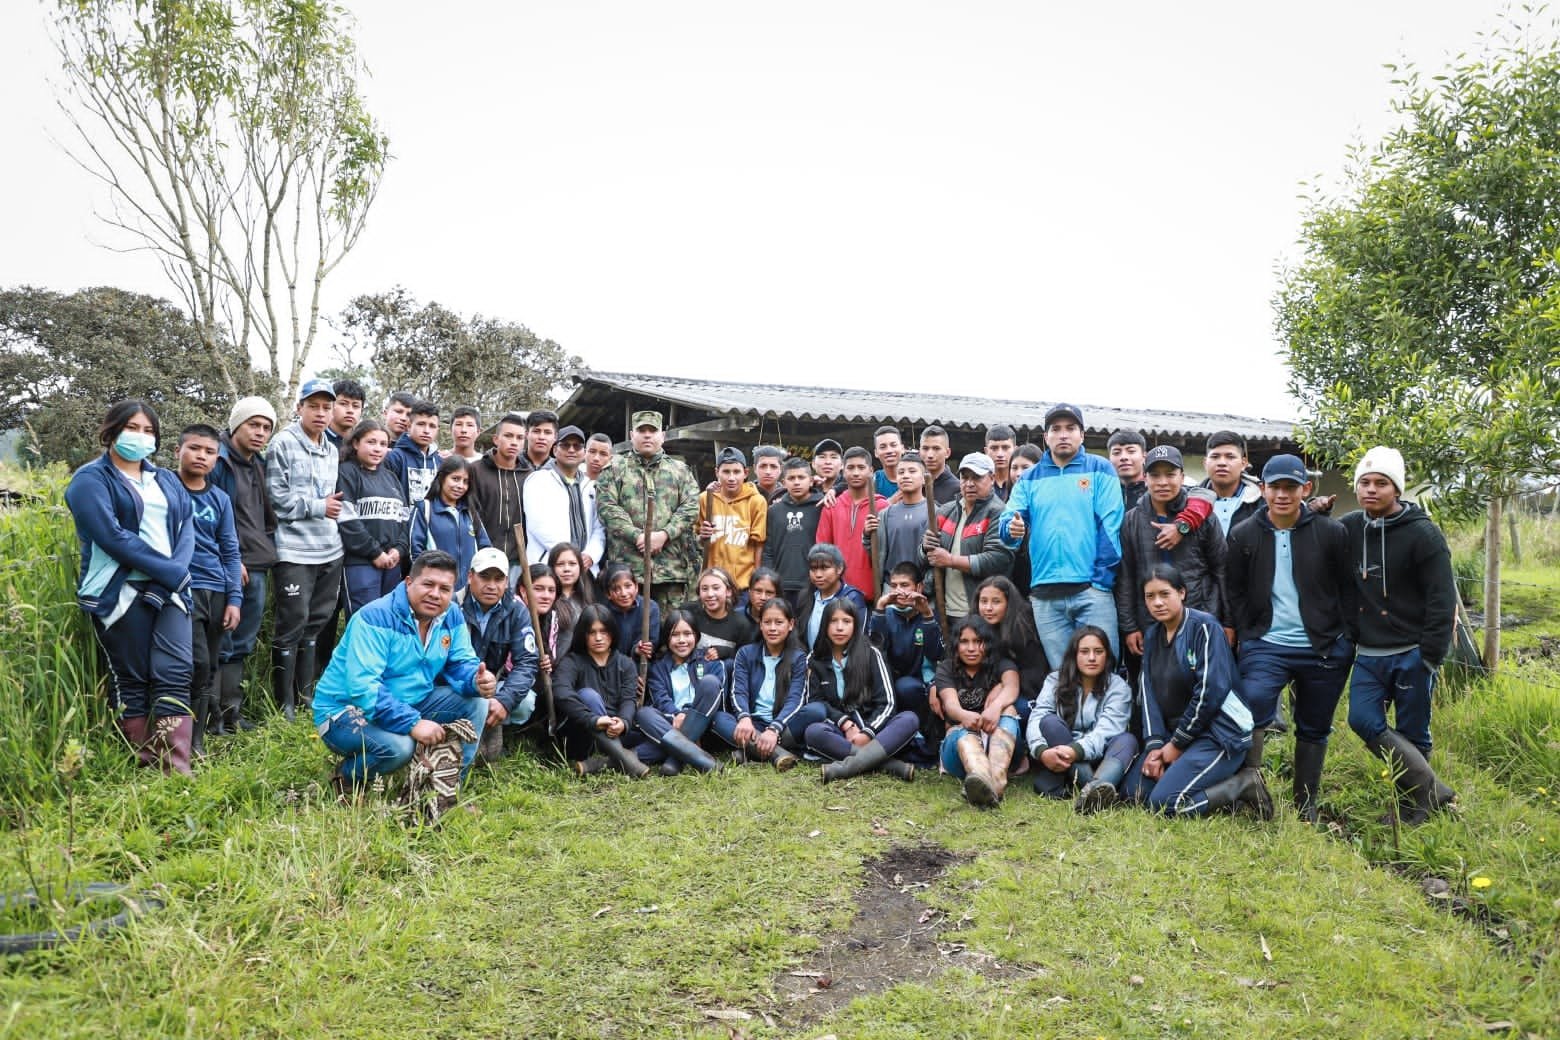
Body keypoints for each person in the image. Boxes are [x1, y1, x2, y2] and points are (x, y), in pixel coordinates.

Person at [66, 400, 196, 774]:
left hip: (170, 589)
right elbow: (113, 536)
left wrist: (171, 575)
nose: (141, 436)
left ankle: (175, 767)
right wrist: (168, 574)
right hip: (118, 591)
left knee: (175, 671)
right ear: (112, 430)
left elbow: (185, 526)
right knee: (133, 677)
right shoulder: (90, 480)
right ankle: (141, 761)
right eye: (133, 428)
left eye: (148, 430)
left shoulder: (165, 478)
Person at [1225, 454, 1357, 821]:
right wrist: (1248, 633)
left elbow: (1348, 588)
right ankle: (1248, 789)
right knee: (1251, 705)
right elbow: (1233, 589)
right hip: (1266, 643)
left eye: (1291, 487)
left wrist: (1344, 638)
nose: (1282, 495)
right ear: (1262, 488)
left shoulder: (1331, 534)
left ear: (1306, 489)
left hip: (1324, 645)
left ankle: (1306, 803)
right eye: (1275, 487)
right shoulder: (1244, 535)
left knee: (1314, 725)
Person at [313, 550, 496, 798]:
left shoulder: (450, 614)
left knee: (476, 702)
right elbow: (363, 688)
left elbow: (460, 662)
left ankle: (446, 790)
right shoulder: (375, 617)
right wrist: (412, 723)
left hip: (410, 701)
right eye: (428, 584)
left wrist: (476, 680)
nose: (435, 594)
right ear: (409, 583)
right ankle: (346, 776)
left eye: (444, 588)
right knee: (400, 747)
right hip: (344, 712)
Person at [1340, 446, 1458, 824]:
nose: (1371, 489)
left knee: (1413, 730)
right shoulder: (1349, 528)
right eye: (1364, 482)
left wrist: (1430, 656)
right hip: (1370, 651)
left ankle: (1414, 807)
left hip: (1412, 651)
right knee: (1361, 719)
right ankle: (1433, 789)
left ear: (1397, 489)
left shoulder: (1424, 535)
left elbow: (1443, 599)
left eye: (1381, 483)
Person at [1121, 565, 1270, 817]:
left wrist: (1177, 745)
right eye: (1150, 596)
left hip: (1219, 734)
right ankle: (1207, 782)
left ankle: (1242, 785)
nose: (1157, 602)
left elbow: (1210, 691)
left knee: (1163, 804)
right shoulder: (1152, 634)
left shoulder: (1204, 627)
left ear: (1182, 593)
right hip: (1175, 735)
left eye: (1164, 594)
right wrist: (1155, 747)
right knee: (1134, 794)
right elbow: (1148, 696)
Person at [997, 403, 1125, 664]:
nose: (1063, 434)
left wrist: (1100, 583)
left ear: (1082, 434)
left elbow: (1110, 529)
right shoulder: (1030, 478)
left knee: (1102, 672)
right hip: (1045, 595)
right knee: (1062, 676)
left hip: (1091, 591)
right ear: (1046, 437)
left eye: (1070, 428)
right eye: (1056, 429)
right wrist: (1012, 528)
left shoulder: (1100, 470)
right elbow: (1008, 520)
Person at [267, 378, 345, 721]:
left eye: (327, 407)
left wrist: (326, 510)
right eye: (313, 406)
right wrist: (318, 507)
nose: (321, 413)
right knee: (292, 622)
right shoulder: (282, 444)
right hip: (294, 551)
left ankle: (305, 695)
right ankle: (282, 703)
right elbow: (276, 499)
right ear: (299, 408)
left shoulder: (332, 449)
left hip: (330, 549)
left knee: (316, 622)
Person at [1115, 445, 1226, 669]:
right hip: (1149, 623)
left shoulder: (1203, 517)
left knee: (1200, 684)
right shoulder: (1132, 520)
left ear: (1182, 477)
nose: (1163, 482)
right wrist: (1129, 626)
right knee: (1151, 689)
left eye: (1170, 474)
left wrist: (1229, 623)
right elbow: (1126, 577)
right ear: (1145, 478)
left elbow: (1222, 571)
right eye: (1155, 475)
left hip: (1199, 615)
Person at [211, 395, 278, 733]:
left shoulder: (258, 463)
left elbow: (263, 514)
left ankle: (231, 714)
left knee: (243, 642)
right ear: (237, 424)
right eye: (254, 425)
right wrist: (229, 560)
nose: (260, 433)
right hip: (228, 565)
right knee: (220, 640)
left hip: (257, 561)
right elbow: (207, 517)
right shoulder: (218, 461)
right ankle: (211, 718)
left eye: (266, 427)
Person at [175, 424, 242, 756]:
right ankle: (177, 738)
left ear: (217, 457)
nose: (201, 456)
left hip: (215, 590)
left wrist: (235, 599)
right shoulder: (165, 487)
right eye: (194, 448)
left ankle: (196, 740)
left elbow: (230, 550)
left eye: (209, 451)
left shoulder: (219, 499)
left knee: (210, 665)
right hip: (178, 589)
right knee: (194, 663)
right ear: (178, 451)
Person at [803, 599, 919, 783]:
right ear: (825, 624)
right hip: (840, 732)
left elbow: (888, 703)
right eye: (833, 621)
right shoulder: (815, 658)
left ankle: (845, 768)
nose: (839, 628)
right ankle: (889, 766)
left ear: (855, 625)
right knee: (813, 731)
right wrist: (845, 724)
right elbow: (815, 702)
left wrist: (867, 733)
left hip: (876, 732)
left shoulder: (871, 653)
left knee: (909, 719)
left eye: (846, 621)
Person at [594, 410, 701, 608]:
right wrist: (637, 536)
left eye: (652, 430)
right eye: (641, 430)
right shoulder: (615, 468)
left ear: (662, 436)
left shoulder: (680, 471)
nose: (647, 435)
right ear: (631, 435)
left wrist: (664, 535)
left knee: (671, 633)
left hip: (670, 571)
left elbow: (691, 507)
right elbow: (607, 507)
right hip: (627, 574)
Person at [1027, 626, 1137, 812]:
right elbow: (1037, 717)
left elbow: (1107, 730)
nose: (1092, 658)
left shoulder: (1118, 686)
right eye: (1084, 651)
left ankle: (1093, 788)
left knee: (1127, 740)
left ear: (1107, 656)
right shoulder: (1055, 680)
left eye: (1098, 652)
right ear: (1074, 655)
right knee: (1049, 723)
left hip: (1102, 756)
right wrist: (1041, 751)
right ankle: (1097, 790)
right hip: (1063, 754)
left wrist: (1075, 751)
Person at [455, 547, 540, 761]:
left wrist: (505, 700)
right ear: (470, 576)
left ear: (506, 582)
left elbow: (527, 662)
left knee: (526, 703)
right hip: (455, 685)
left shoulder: (517, 611)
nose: (492, 586)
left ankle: (492, 730)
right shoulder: (452, 606)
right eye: (484, 577)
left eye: (499, 578)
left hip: (495, 686)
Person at [553, 603, 649, 777]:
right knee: (587, 696)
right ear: (583, 635)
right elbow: (562, 693)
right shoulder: (572, 661)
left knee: (655, 737)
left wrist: (624, 722)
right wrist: (594, 720)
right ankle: (624, 760)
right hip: (585, 733)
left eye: (603, 632)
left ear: (612, 633)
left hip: (616, 731)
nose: (598, 638)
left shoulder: (626, 663)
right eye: (592, 632)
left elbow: (629, 699)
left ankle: (601, 763)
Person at [934, 616, 1021, 806]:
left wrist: (996, 707)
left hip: (997, 743)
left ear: (987, 644)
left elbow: (1012, 687)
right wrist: (965, 715)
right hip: (959, 748)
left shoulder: (1001, 663)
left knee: (1009, 707)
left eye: (978, 641)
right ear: (956, 644)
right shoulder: (946, 668)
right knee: (963, 732)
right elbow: (950, 705)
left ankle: (995, 783)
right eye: (964, 642)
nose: (971, 648)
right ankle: (981, 778)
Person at [711, 595, 803, 770]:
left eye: (779, 622)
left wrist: (774, 729)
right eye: (767, 622)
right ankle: (777, 754)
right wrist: (744, 717)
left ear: (790, 624)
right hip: (753, 724)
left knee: (813, 713)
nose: (772, 628)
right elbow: (739, 692)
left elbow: (795, 699)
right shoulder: (746, 653)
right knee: (718, 718)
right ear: (760, 625)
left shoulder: (798, 658)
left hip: (783, 724)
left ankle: (749, 752)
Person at [923, 452, 1013, 628]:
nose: (969, 483)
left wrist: (950, 560)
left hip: (981, 610)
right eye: (964, 477)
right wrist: (925, 547)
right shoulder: (946, 511)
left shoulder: (1000, 513)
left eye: (977, 477)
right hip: (945, 609)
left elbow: (998, 559)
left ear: (992, 477)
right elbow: (925, 558)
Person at [869, 561, 945, 761]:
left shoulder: (930, 615)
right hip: (889, 682)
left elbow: (937, 653)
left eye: (904, 585)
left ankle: (921, 737)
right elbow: (875, 649)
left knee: (908, 687)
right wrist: (879, 608)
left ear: (918, 587)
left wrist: (927, 615)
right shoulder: (887, 614)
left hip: (922, 685)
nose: (899, 591)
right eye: (894, 586)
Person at [336, 420, 409, 616]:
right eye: (371, 442)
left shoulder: (391, 477)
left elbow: (404, 518)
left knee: (387, 620)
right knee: (365, 620)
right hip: (361, 562)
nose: (377, 449)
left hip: (392, 563)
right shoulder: (346, 472)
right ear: (356, 443)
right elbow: (347, 520)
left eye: (383, 444)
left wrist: (399, 549)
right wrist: (375, 553)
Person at [639, 609, 725, 775]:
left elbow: (714, 697)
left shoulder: (710, 663)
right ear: (667, 638)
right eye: (675, 635)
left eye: (687, 634)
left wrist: (688, 716)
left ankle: (675, 760)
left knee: (710, 682)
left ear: (696, 636)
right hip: (671, 723)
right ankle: (700, 758)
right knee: (645, 714)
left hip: (704, 726)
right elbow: (661, 699)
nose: (682, 640)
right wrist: (676, 715)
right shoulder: (658, 668)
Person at [524, 424, 605, 575]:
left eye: (577, 446)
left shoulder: (589, 486)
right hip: (548, 566)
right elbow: (538, 525)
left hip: (585, 568)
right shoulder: (538, 480)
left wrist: (591, 555)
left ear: (584, 452)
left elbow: (598, 527)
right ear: (555, 450)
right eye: (565, 445)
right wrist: (570, 557)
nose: (571, 450)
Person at [816, 446, 887, 597]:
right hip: (837, 592)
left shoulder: (882, 506)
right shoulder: (831, 505)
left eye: (861, 467)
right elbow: (822, 550)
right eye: (851, 468)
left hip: (872, 593)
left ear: (871, 471)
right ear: (843, 471)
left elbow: (886, 552)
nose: (856, 473)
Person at [468, 413, 530, 583]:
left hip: (518, 560)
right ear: (496, 439)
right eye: (508, 436)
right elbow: (471, 513)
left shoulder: (530, 476)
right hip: (482, 558)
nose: (514, 442)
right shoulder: (476, 470)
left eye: (519, 438)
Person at [411, 456, 490, 589]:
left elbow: (485, 547)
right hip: (437, 587)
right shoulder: (425, 509)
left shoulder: (470, 512)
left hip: (468, 589)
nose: (460, 486)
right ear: (442, 478)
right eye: (455, 479)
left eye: (465, 481)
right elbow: (414, 551)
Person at [698, 446, 767, 592]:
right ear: (717, 472)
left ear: (746, 473)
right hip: (712, 583)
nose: (731, 478)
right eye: (726, 472)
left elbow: (758, 545)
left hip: (742, 584)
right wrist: (701, 536)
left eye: (736, 472)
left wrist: (756, 581)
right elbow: (695, 538)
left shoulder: (756, 501)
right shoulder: (705, 499)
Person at [863, 450, 931, 596]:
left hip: (921, 589)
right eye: (901, 472)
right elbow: (876, 553)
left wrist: (927, 587)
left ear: (924, 478)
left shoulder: (934, 512)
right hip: (891, 587)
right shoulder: (885, 514)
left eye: (912, 471)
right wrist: (868, 535)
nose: (906, 475)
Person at [762, 456, 824, 607]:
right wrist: (770, 579)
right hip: (781, 584)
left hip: (813, 584)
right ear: (783, 482)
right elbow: (768, 550)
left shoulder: (823, 507)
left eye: (801, 477)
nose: (796, 482)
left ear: (810, 480)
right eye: (791, 478)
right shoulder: (774, 511)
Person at [795, 543, 869, 648]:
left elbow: (859, 639)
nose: (818, 575)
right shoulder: (806, 596)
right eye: (813, 569)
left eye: (824, 568)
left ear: (839, 569)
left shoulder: (852, 598)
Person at [1199, 431, 1263, 536]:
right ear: (1205, 463)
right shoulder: (1190, 501)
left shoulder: (1262, 502)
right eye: (1215, 456)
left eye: (1230, 457)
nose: (1222, 463)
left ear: (1244, 463)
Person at [686, 566, 755, 662]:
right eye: (704, 589)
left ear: (728, 591)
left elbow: (747, 658)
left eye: (716, 588)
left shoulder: (741, 624)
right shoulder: (689, 614)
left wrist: (725, 652)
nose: (710, 594)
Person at [385, 399, 442, 508]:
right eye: (421, 424)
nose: (426, 430)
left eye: (432, 426)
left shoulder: (440, 461)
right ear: (409, 426)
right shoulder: (394, 458)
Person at [601, 560, 658, 666]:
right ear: (608, 594)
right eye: (616, 589)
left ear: (636, 587)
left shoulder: (650, 607)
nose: (624, 593)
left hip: (640, 664)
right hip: (612, 667)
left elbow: (652, 643)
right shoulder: (603, 613)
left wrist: (639, 649)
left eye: (628, 586)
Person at [547, 541, 595, 635]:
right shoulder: (547, 601)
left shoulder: (587, 599)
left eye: (572, 564)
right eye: (560, 564)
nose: (566, 569)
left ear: (580, 567)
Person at [918, 425, 960, 505]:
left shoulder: (958, 489)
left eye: (936, 448)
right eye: (925, 448)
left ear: (947, 453)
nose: (930, 455)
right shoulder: (914, 484)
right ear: (919, 451)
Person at [1106, 429, 1147, 511]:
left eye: (1131, 451)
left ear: (1144, 456)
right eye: (1116, 453)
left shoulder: (1156, 490)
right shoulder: (1104, 492)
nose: (1123, 457)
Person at [327, 379, 366, 446]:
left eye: (355, 406)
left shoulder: (362, 443)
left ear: (362, 411)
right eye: (343, 404)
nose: (350, 410)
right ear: (330, 406)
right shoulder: (318, 437)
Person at [984, 424, 1018, 501]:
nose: (1000, 454)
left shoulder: (1022, 482)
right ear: (986, 451)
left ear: (1015, 450)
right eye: (994, 448)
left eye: (1005, 448)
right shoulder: (979, 484)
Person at [872, 425, 905, 499]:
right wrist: (891, 501)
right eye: (883, 447)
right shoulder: (874, 481)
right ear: (876, 453)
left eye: (893, 445)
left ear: (902, 448)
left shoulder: (918, 477)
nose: (889, 451)